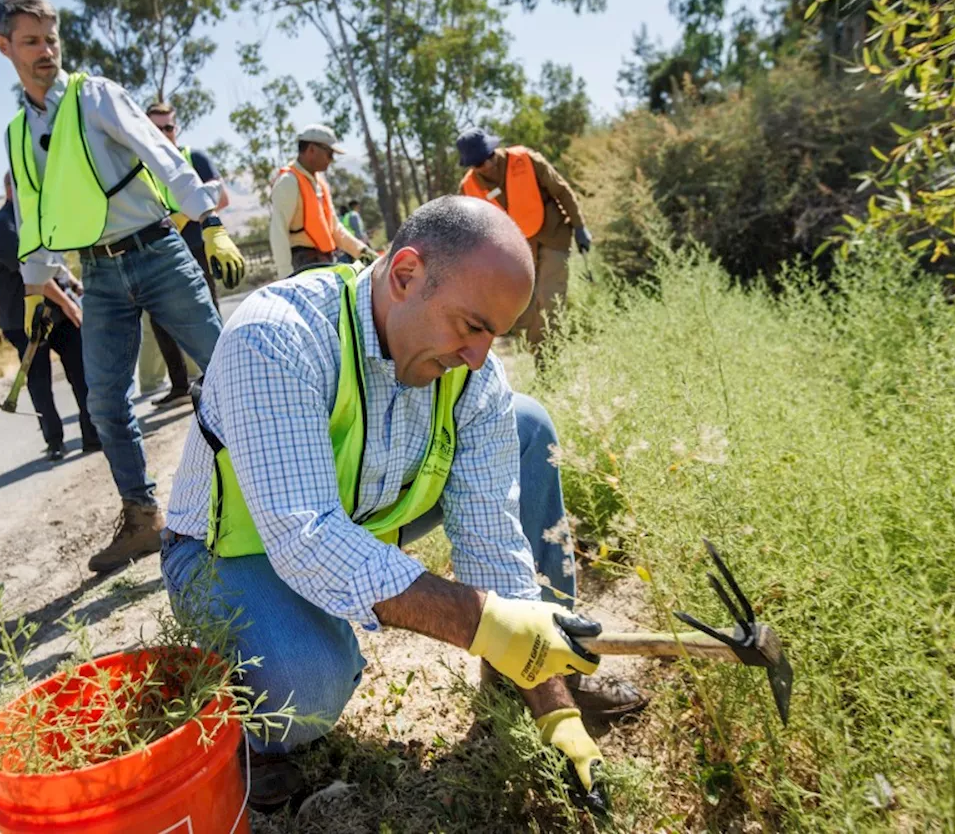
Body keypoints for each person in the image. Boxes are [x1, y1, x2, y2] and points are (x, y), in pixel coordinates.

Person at [163, 196, 642, 810]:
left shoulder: (473, 371)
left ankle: (534, 664)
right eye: (471, 326)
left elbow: (491, 537)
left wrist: (553, 705)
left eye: (494, 335)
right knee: (303, 692)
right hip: (231, 547)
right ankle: (253, 733)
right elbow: (305, 535)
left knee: (526, 425)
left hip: (364, 516)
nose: (477, 357)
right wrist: (485, 624)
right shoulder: (278, 335)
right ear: (406, 274)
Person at [0, 0, 242, 572]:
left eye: (51, 39)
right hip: (98, 273)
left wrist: (207, 220)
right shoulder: (16, 133)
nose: (45, 51)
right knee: (104, 402)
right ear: (4, 47)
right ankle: (142, 518)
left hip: (157, 251)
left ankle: (273, 484)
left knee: (230, 365)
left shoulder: (95, 96)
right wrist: (38, 287)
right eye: (30, 41)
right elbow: (31, 211)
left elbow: (161, 154)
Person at [0, 173, 100, 460]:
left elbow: (53, 263)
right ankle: (55, 441)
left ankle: (93, 435)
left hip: (58, 312)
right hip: (24, 318)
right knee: (40, 381)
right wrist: (71, 305)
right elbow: (34, 276)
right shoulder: (3, 226)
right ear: (13, 189)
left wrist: (73, 284)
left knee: (81, 372)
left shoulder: (34, 219)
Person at [455, 128, 592, 354]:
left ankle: (549, 363)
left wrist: (579, 226)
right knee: (525, 310)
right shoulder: (468, 188)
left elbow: (562, 190)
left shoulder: (526, 159)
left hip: (553, 236)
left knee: (550, 299)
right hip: (516, 253)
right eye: (480, 163)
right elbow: (470, 231)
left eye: (489, 156)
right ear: (470, 165)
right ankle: (541, 353)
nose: (487, 165)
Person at [142, 100, 236, 407]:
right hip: (158, 251)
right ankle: (180, 386)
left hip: (196, 247)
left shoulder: (193, 158)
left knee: (205, 310)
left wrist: (183, 216)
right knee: (159, 320)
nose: (165, 133)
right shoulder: (140, 167)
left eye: (169, 126)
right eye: (158, 128)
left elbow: (222, 197)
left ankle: (224, 378)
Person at [268, 124, 376, 278]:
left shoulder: (319, 182)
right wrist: (286, 276)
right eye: (329, 153)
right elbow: (278, 231)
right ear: (311, 149)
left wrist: (363, 252)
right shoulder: (288, 182)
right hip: (302, 263)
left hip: (325, 259)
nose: (331, 159)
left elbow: (334, 228)